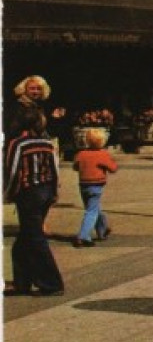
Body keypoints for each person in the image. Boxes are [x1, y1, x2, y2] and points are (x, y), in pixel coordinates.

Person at [5, 107, 64, 297]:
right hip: (46, 191)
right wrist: (54, 192)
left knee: (35, 238)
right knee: (24, 239)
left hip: (28, 193)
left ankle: (52, 282)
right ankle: (22, 282)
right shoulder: (46, 143)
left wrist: (8, 193)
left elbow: (13, 170)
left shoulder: (17, 144)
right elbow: (55, 169)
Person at [71, 127, 117, 247]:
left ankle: (103, 229)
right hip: (96, 185)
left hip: (83, 185)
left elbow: (75, 166)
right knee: (91, 211)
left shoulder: (81, 154)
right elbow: (113, 168)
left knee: (93, 207)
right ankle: (83, 236)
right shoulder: (102, 154)